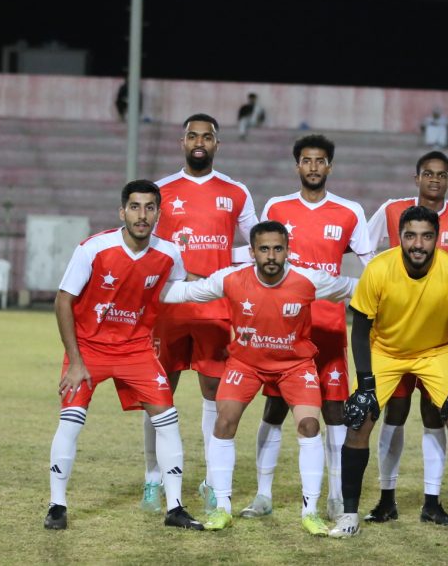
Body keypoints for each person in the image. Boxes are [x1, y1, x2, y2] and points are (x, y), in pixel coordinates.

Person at [159, 221, 357, 536]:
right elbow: (187, 292)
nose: (271, 256)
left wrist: (396, 282)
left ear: (287, 251)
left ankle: (311, 512)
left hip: (295, 365)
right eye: (264, 249)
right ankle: (222, 508)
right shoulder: (231, 278)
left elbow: (353, 286)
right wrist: (142, 287)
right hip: (246, 364)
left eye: (278, 248)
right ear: (252, 252)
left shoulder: (308, 280)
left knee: (309, 425)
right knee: (224, 421)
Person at [45, 179, 203, 531]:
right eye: (134, 207)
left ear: (158, 214)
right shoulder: (93, 249)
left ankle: (175, 507)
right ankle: (57, 505)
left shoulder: (169, 253)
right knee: (71, 421)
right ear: (122, 212)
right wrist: (75, 361)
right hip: (88, 349)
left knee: (167, 419)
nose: (141, 215)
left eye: (149, 208)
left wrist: (225, 285)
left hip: (136, 350)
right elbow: (63, 300)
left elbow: (181, 284)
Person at [329, 205, 448, 545]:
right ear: (400, 237)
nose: (418, 244)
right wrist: (366, 383)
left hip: (436, 352)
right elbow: (360, 328)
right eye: (411, 235)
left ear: (437, 238)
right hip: (385, 351)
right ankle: (350, 514)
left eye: (426, 236)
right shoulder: (379, 268)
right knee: (358, 419)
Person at [245, 134, 374, 522]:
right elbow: (261, 260)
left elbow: (371, 266)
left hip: (329, 326)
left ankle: (335, 496)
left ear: (329, 166)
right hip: (283, 326)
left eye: (320, 161)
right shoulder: (277, 206)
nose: (313, 167)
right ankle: (263, 495)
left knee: (334, 410)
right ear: (297, 165)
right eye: (306, 160)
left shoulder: (349, 211)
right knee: (274, 408)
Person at [147, 114, 258, 514]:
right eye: (192, 136)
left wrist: (227, 262)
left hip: (216, 310)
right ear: (182, 142)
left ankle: (212, 481)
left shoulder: (236, 191)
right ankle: (153, 478)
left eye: (207, 137)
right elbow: (145, 245)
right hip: (169, 308)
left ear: (216, 144)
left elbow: (258, 242)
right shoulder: (161, 190)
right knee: (158, 392)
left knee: (214, 393)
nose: (199, 142)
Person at [363, 151, 448, 525]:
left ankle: (432, 501)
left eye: (441, 175)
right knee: (393, 413)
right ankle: (386, 499)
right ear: (417, 178)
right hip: (394, 337)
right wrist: (387, 293)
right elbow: (367, 249)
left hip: (439, 340)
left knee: (436, 414)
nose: (434, 180)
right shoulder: (392, 209)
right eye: (428, 173)